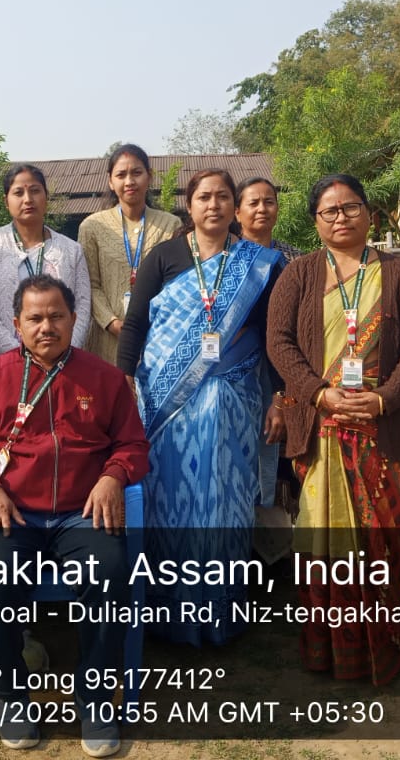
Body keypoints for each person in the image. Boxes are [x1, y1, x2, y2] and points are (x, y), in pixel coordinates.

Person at [0, 275, 149, 756]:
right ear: (16, 324)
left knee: (110, 574)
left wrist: (113, 476)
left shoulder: (103, 378)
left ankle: (95, 701)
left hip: (81, 513)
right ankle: (12, 699)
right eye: (35, 318)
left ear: (74, 320)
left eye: (56, 316)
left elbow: (133, 444)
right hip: (12, 513)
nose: (46, 327)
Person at [266, 173, 400, 686]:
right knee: (323, 544)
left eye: (350, 207)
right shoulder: (299, 274)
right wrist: (319, 393)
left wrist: (384, 399)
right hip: (322, 430)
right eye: (329, 210)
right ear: (316, 221)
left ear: (369, 213)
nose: (341, 217)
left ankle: (382, 650)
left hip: (381, 430)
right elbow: (279, 342)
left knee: (383, 539)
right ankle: (329, 653)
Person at [116, 169, 284, 645]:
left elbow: (273, 337)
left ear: (235, 206)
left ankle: (219, 612)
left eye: (223, 197)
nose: (213, 205)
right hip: (166, 406)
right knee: (167, 500)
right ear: (188, 206)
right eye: (204, 197)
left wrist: (278, 396)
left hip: (234, 401)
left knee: (225, 502)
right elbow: (135, 324)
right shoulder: (164, 256)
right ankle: (164, 613)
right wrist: (123, 378)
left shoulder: (258, 264)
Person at [0, 164, 91, 365]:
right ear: (6, 201)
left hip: (60, 363)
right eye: (18, 193)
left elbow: (83, 306)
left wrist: (63, 349)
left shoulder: (71, 250)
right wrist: (17, 354)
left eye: (35, 191)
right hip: (1, 362)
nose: (28, 199)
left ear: (46, 197)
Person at [233, 175, 304, 511]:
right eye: (253, 202)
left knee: (284, 449)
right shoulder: (226, 260)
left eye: (269, 201)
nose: (262, 208)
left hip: (286, 368)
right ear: (237, 212)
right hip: (239, 371)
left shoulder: (295, 260)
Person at [77, 144, 181, 365]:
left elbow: (175, 285)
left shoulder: (171, 225)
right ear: (110, 181)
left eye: (136, 173)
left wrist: (151, 324)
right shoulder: (92, 226)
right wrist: (112, 322)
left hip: (156, 338)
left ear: (149, 177)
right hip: (104, 340)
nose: (129, 181)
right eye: (121, 175)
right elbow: (89, 285)